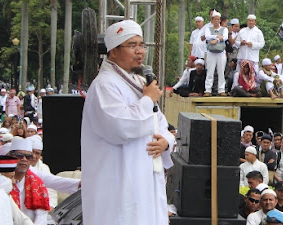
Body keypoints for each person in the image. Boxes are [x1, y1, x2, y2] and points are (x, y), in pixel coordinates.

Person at [81, 20, 175, 225]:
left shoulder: (140, 82)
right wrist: (148, 99)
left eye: (141, 45)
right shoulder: (104, 85)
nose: (140, 51)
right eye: (132, 45)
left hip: (145, 180)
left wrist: (165, 141)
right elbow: (119, 127)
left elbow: (160, 122)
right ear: (113, 51)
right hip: (118, 183)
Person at [8, 137, 49, 224]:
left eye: (28, 156)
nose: (24, 159)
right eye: (19, 155)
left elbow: (41, 216)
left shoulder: (38, 184)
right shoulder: (2, 181)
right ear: (10, 156)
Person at [28, 135, 58, 210]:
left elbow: (51, 189)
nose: (34, 156)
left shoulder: (44, 168)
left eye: (37, 153)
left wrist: (51, 206)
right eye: (32, 152)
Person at [203, 10, 228, 97]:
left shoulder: (224, 29)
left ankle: (221, 90)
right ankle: (208, 90)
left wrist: (216, 40)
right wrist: (217, 37)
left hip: (221, 53)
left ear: (220, 20)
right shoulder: (208, 29)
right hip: (211, 52)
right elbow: (207, 36)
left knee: (221, 72)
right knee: (210, 71)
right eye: (215, 19)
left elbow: (225, 37)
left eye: (218, 19)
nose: (216, 21)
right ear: (212, 20)